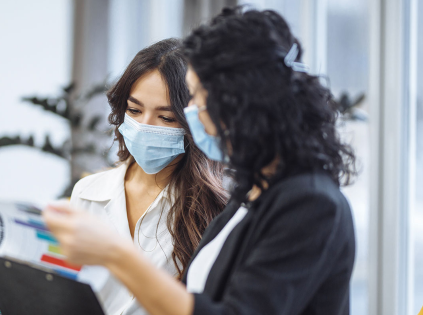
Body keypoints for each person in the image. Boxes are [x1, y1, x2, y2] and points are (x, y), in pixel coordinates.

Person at [45, 7, 357, 315]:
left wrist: (116, 254)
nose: (193, 113)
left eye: (198, 99)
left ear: (243, 105)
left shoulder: (313, 205)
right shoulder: (252, 191)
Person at [68, 38, 227, 315]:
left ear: (196, 124)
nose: (144, 127)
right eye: (134, 110)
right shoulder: (87, 192)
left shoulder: (218, 207)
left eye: (166, 118)